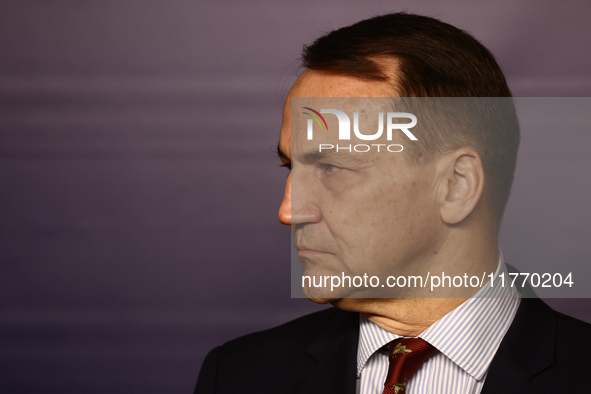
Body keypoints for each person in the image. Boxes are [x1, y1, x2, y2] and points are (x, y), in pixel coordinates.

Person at [195, 12, 591, 394]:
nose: (288, 212)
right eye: (290, 167)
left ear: (456, 185)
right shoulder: (238, 374)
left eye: (331, 167)